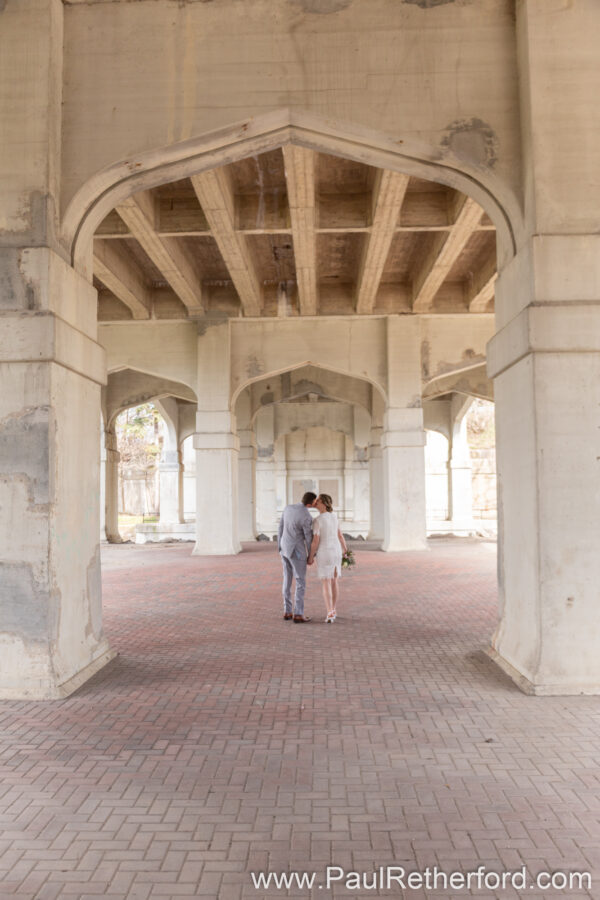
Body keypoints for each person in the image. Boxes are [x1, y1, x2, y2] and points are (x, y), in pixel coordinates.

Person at [308, 493, 347, 624]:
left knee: (326, 582)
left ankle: (330, 612)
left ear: (324, 504)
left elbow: (315, 541)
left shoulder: (317, 520)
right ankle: (334, 609)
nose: (315, 504)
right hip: (336, 551)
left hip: (325, 552)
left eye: (317, 501)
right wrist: (345, 550)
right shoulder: (335, 517)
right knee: (334, 581)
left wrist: (310, 556)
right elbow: (340, 536)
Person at [278, 491, 317, 623]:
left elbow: (280, 527)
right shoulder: (307, 515)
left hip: (284, 548)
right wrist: (312, 554)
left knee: (287, 579)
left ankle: (287, 611)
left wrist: (279, 546)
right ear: (310, 503)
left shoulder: (288, 508)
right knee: (300, 581)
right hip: (297, 552)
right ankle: (298, 614)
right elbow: (308, 537)